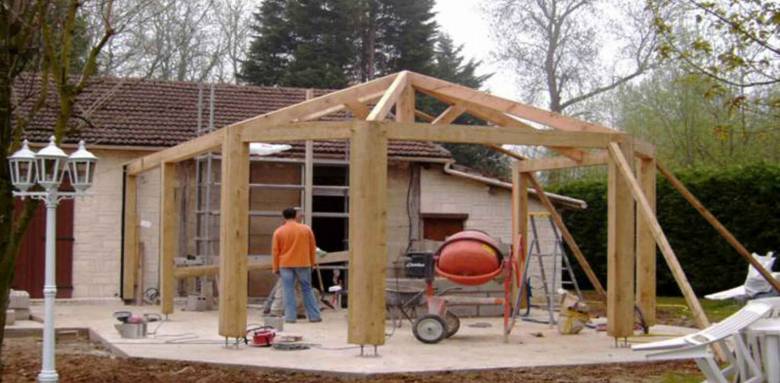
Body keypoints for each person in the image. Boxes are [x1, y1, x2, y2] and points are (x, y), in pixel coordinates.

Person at [272, 207, 322, 323]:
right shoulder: (306, 229)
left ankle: (290, 317)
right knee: (307, 289)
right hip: (303, 263)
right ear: (296, 216)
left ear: (283, 217)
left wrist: (275, 267)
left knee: (288, 290)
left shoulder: (279, 231)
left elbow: (275, 251)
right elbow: (311, 248)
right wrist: (312, 263)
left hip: (285, 264)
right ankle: (314, 316)